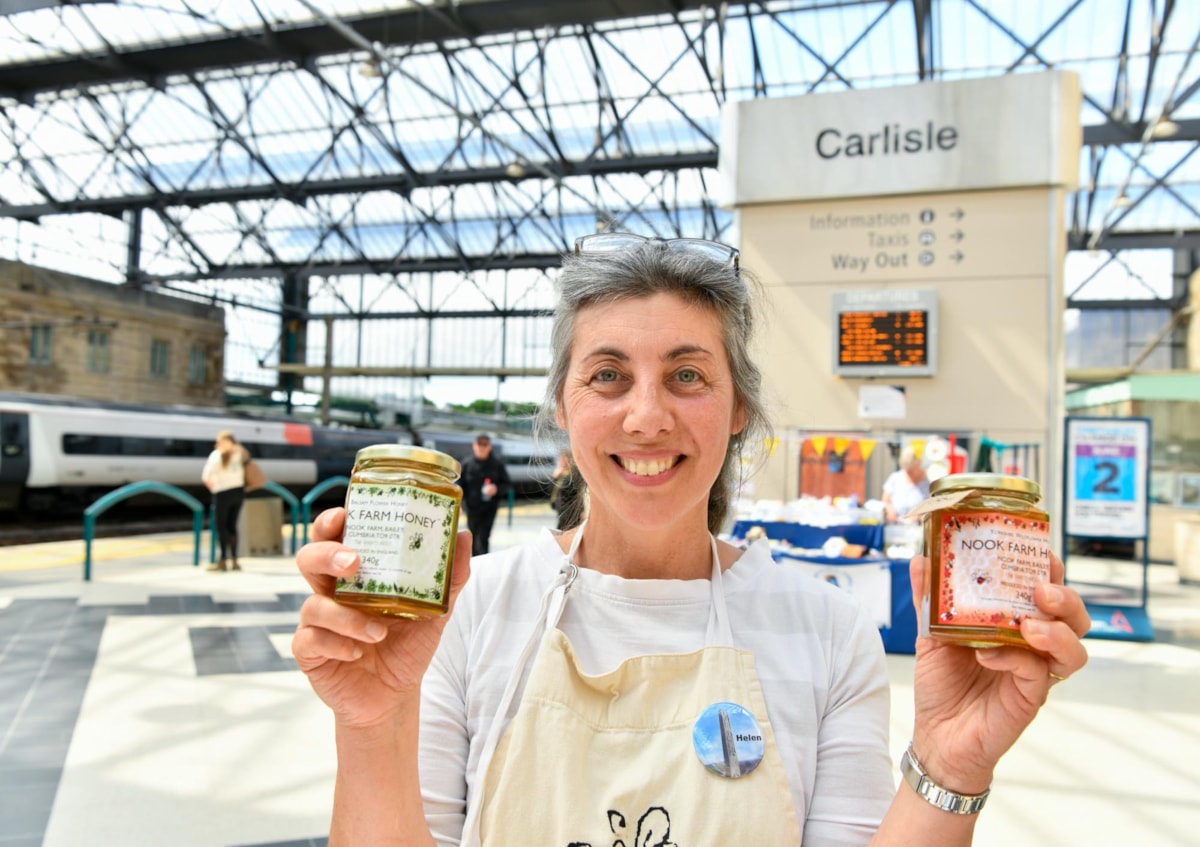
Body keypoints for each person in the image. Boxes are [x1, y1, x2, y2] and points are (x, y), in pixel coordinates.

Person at [292, 233, 1090, 846]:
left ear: (737, 407)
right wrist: (370, 724)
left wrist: (952, 763)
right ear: (563, 408)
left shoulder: (825, 629)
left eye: (687, 375)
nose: (647, 416)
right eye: (607, 375)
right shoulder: (469, 612)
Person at [201, 430, 249, 572]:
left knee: (221, 528)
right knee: (233, 527)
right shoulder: (240, 454)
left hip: (222, 493)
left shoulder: (216, 455)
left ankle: (222, 560)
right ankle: (235, 560)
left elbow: (206, 476)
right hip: (238, 492)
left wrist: (214, 486)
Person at [459, 433, 510, 556]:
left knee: (483, 538)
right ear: (474, 446)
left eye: (485, 445)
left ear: (489, 447)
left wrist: (496, 488)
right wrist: (459, 504)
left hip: (489, 509)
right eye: (479, 444)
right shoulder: (466, 464)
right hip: (471, 509)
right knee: (472, 538)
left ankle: (483, 564)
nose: (481, 447)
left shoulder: (497, 464)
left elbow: (507, 485)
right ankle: (473, 565)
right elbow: (459, 485)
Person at [882, 445, 930, 522]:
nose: (908, 473)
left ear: (918, 464)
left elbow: (931, 506)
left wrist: (919, 515)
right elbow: (885, 500)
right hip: (895, 524)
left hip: (917, 526)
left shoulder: (928, 482)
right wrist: (889, 509)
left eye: (911, 470)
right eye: (906, 470)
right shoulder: (894, 478)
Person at [549, 448, 581, 530]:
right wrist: (554, 478)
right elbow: (551, 490)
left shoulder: (573, 474)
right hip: (560, 509)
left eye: (565, 458)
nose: (562, 461)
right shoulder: (559, 474)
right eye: (561, 459)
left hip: (570, 510)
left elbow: (576, 492)